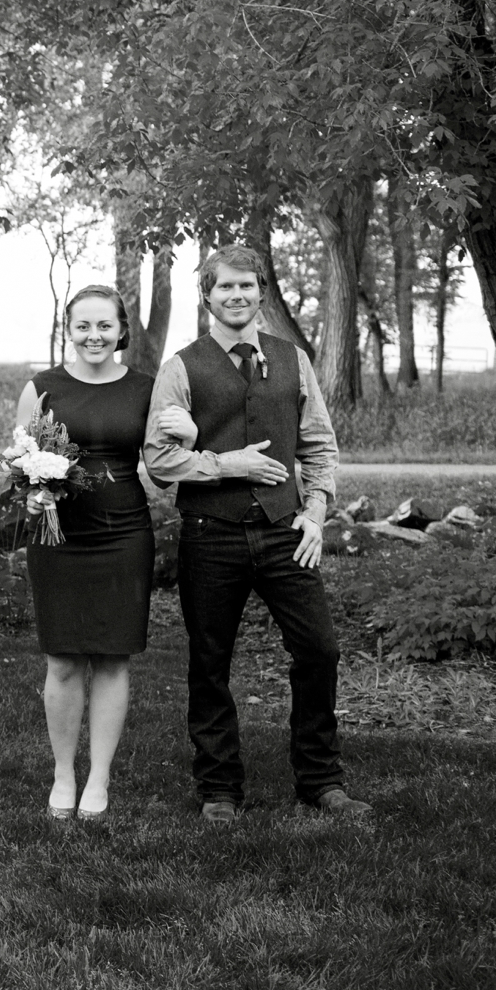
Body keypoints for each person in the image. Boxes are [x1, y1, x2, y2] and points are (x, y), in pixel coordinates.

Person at [143, 244, 371, 823]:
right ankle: (220, 788)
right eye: (225, 288)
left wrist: (315, 513)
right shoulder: (181, 367)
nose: (237, 296)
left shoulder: (293, 359)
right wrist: (227, 464)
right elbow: (158, 459)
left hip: (284, 530)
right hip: (209, 532)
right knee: (210, 662)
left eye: (247, 286)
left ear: (261, 292)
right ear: (208, 296)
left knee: (319, 650)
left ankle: (320, 781)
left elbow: (320, 445)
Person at [13, 286, 178, 822]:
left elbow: (162, 462)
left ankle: (99, 779)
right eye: (83, 326)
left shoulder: (146, 389)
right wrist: (33, 494)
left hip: (124, 534)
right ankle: (64, 773)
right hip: (59, 537)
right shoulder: (41, 389)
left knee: (111, 657)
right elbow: (19, 462)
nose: (94, 336)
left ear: (122, 330)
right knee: (62, 659)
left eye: (105, 326)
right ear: (69, 328)